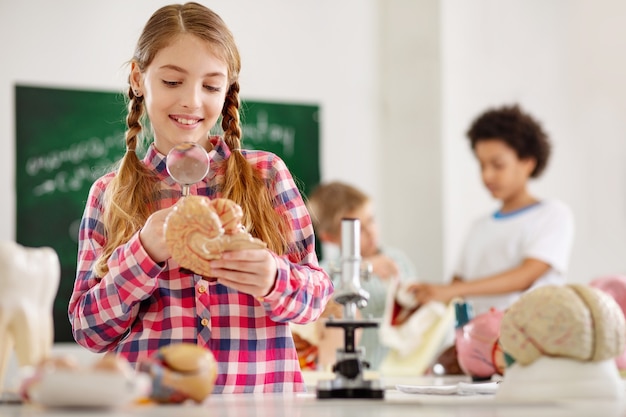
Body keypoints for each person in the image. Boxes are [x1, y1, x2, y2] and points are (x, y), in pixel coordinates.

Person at [68, 2, 333, 394]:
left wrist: (273, 278)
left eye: (210, 86)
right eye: (173, 82)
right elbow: (89, 331)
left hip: (261, 404)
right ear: (139, 79)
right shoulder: (109, 194)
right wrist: (144, 251)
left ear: (227, 90)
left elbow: (315, 301)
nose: (192, 101)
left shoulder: (267, 175)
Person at [409, 104, 574, 316]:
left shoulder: (552, 214)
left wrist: (452, 290)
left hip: (528, 341)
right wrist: (427, 297)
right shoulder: (479, 227)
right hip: (476, 343)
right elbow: (455, 290)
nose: (487, 176)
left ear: (527, 163)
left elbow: (526, 276)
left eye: (497, 165)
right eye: (481, 165)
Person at [299, 181, 418, 370]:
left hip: (397, 372)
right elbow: (329, 307)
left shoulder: (398, 261)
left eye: (371, 219)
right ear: (329, 237)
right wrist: (362, 268)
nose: (370, 232)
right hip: (346, 372)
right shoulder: (323, 274)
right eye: (358, 229)